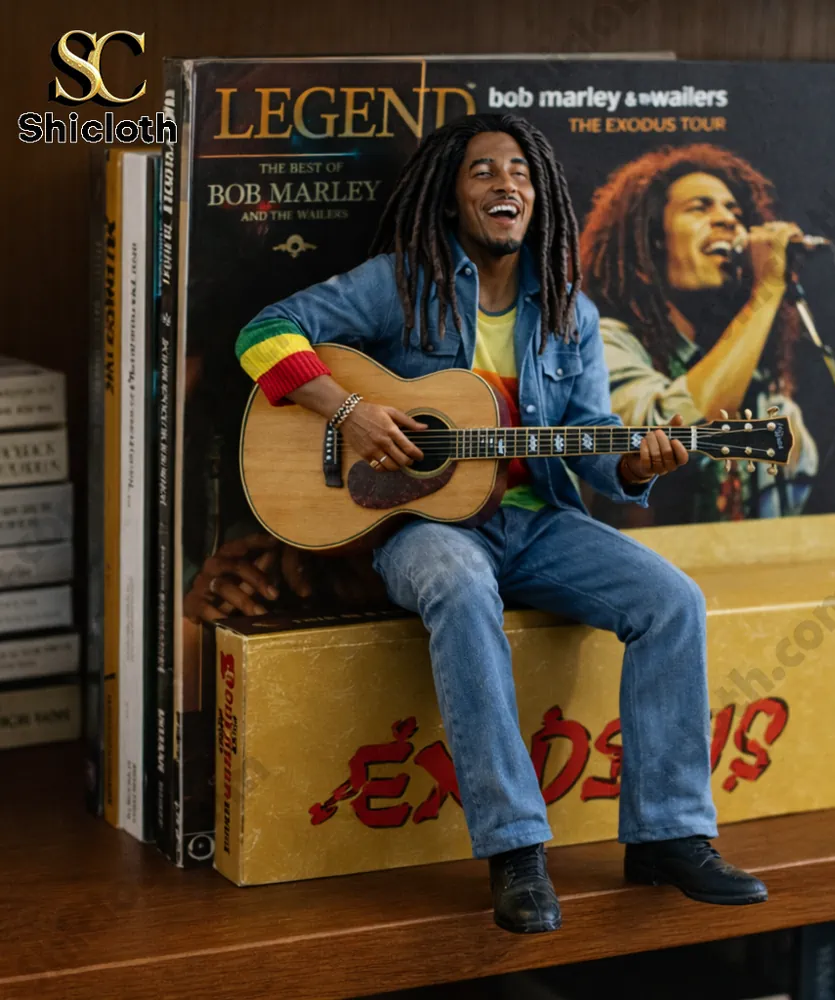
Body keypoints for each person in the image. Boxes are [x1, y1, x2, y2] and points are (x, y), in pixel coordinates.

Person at [235, 113, 767, 934]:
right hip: (424, 530)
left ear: (540, 196)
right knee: (456, 581)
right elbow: (263, 333)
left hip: (538, 524)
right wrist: (351, 410)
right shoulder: (401, 282)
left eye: (518, 171)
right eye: (483, 170)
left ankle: (668, 834)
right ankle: (516, 849)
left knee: (673, 601)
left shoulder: (569, 316)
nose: (504, 183)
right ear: (452, 197)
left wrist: (635, 464)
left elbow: (594, 447)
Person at [580, 144, 819, 523]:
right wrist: (767, 292)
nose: (726, 220)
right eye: (700, 207)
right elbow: (672, 431)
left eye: (735, 212)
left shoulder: (766, 397)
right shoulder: (603, 345)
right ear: (653, 240)